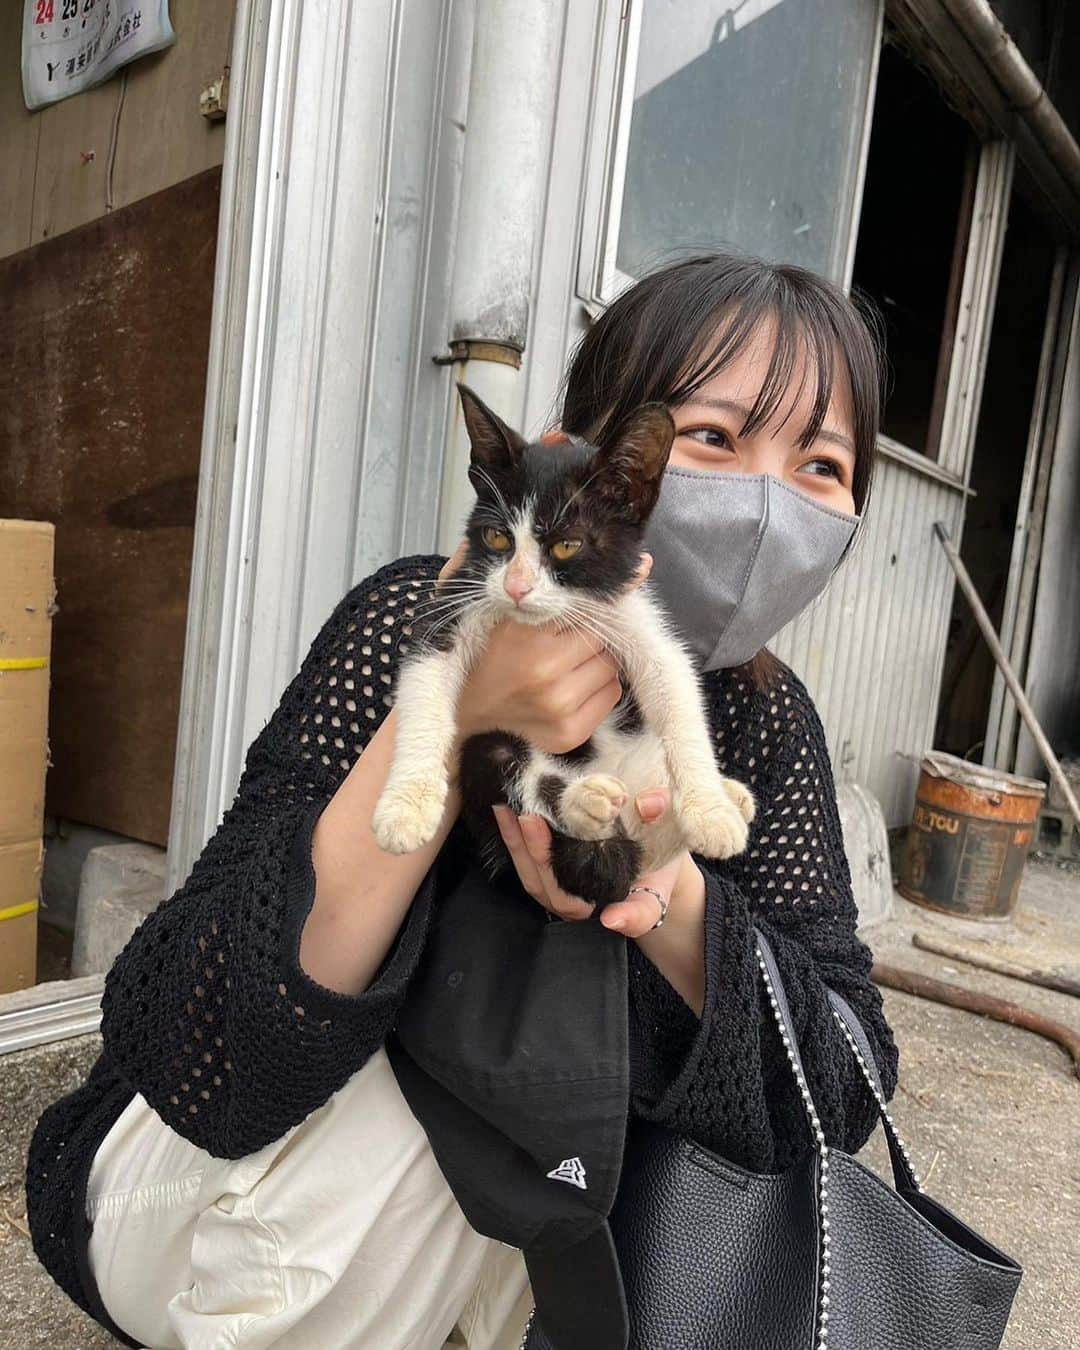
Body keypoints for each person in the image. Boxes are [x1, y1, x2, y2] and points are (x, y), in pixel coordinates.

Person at [26, 252, 898, 1350]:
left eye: (821, 465)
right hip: (212, 1191)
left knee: (589, 1115)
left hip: (523, 1222)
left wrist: (666, 892)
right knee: (511, 1071)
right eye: (716, 440)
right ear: (586, 450)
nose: (769, 505)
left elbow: (840, 1086)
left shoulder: (766, 721)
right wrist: (459, 727)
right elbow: (201, 1051)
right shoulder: (419, 619)